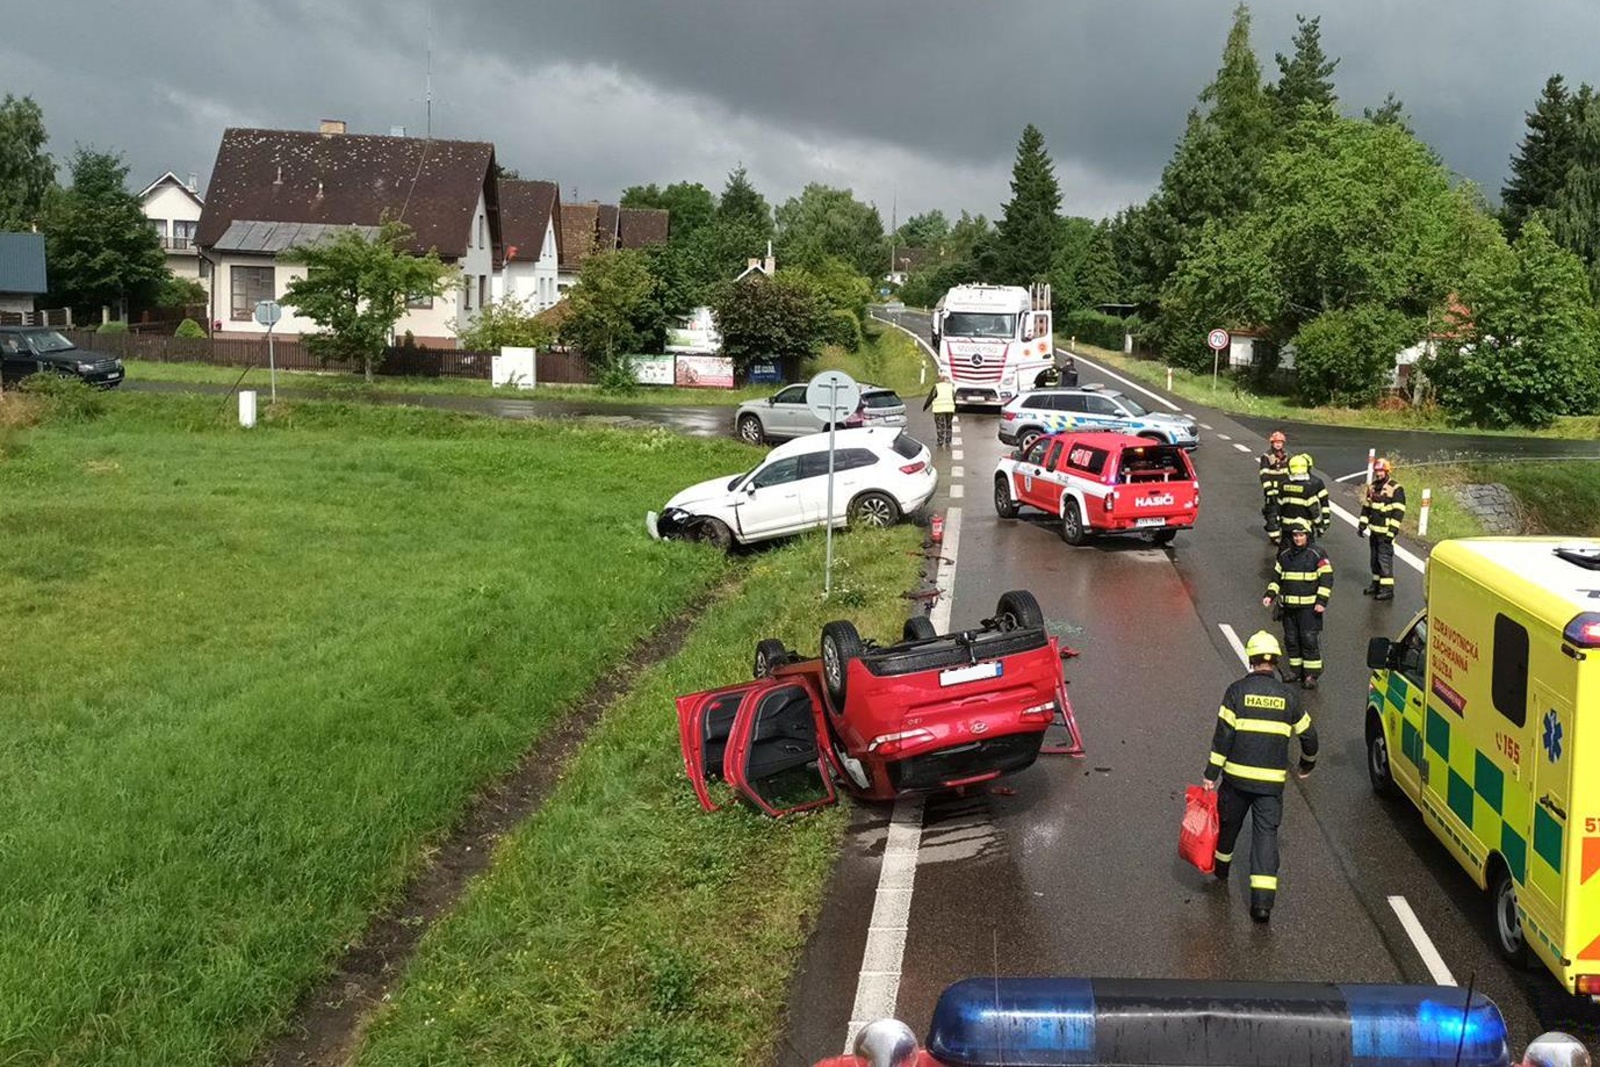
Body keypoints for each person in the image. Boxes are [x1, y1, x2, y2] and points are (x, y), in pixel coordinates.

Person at [1202, 629, 1318, 923]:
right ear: (1276, 661)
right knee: (1265, 839)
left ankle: (1222, 871)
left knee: (1229, 825)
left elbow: (1223, 738)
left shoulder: (1236, 692)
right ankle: (1262, 905)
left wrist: (1210, 775)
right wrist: (1306, 764)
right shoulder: (1288, 697)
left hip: (1237, 780)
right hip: (1270, 785)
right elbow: (1309, 737)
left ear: (1251, 659)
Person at [1263, 525, 1333, 689]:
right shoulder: (1285, 556)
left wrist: (1321, 602)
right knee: (1291, 640)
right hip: (1289, 608)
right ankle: (1296, 671)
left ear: (1307, 536)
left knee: (1309, 640)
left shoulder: (1317, 554)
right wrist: (1270, 595)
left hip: (1309, 609)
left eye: (1301, 535)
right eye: (1295, 535)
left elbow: (1327, 579)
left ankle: (1311, 675)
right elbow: (1276, 579)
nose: (1297, 538)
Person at [1359, 458, 1406, 601]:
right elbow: (1367, 507)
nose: (1378, 474)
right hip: (1374, 531)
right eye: (1377, 471)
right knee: (1374, 560)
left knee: (1383, 560)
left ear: (1386, 471)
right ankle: (1376, 584)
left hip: (1386, 533)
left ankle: (1387, 589)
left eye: (1381, 471)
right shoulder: (1372, 487)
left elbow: (1399, 512)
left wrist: (1392, 532)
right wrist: (1362, 524)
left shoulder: (1396, 488)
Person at [1276, 454, 1330, 539]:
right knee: (1307, 551)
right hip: (1305, 526)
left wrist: (1277, 523)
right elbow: (1315, 509)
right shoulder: (1312, 485)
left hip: (1286, 527)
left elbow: (1277, 507)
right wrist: (1320, 524)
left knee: (1285, 551)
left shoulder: (1283, 484)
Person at [1257, 431, 1289, 543]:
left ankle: (1282, 533)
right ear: (1272, 443)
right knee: (1272, 513)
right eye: (1276, 442)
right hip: (1272, 491)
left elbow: (1288, 473)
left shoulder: (1286, 456)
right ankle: (1274, 537)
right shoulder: (1267, 456)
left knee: (1285, 512)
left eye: (1280, 442)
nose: (1278, 444)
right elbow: (1264, 474)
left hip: (1283, 490)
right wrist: (1269, 489)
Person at [923, 371, 956, 447]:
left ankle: (940, 441)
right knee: (948, 425)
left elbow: (931, 397)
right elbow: (954, 397)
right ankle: (948, 440)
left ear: (938, 380)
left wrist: (925, 407)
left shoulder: (936, 387)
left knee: (940, 426)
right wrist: (954, 406)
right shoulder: (950, 386)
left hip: (939, 409)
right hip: (950, 408)